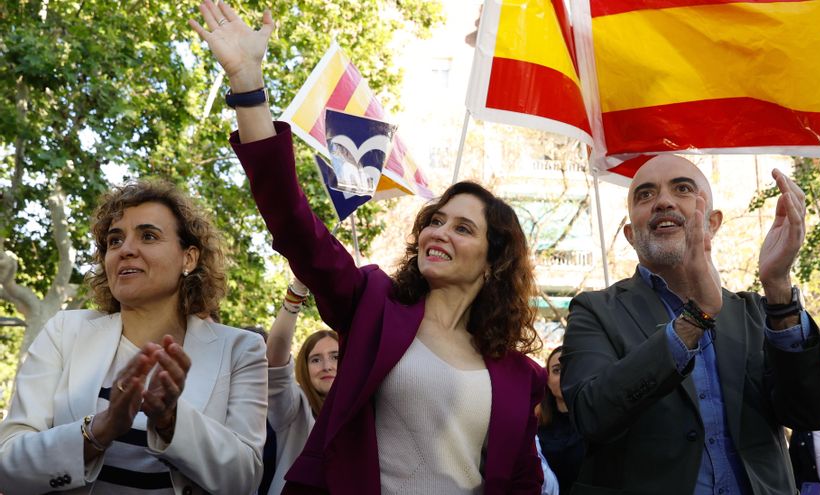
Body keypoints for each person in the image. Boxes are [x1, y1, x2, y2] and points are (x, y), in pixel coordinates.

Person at [189, 2, 546, 494]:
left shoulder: (518, 374)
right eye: (435, 220)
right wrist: (249, 86)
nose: (439, 232)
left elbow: (521, 481)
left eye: (463, 228)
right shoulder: (373, 303)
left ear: (495, 260)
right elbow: (294, 223)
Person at [560, 154, 820, 494]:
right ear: (631, 234)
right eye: (645, 195)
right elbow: (592, 416)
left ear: (713, 222)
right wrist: (695, 319)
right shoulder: (595, 311)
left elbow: (812, 414)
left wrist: (778, 287)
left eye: (682, 188)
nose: (663, 201)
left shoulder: (756, 312)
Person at [0, 179, 268, 494]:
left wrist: (170, 421)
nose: (126, 250)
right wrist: (98, 431)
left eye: (149, 236)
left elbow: (244, 480)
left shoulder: (241, 350)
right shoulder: (64, 332)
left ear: (189, 258)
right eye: (114, 241)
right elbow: (7, 466)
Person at [261, 277, 338, 495]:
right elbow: (275, 358)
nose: (326, 366)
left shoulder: (368, 410)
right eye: (315, 359)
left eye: (336, 356)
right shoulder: (294, 408)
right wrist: (297, 291)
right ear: (304, 368)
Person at [537, 347, 585, 495]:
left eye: (570, 369)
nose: (564, 376)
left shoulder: (595, 422)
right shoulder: (536, 428)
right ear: (548, 379)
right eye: (557, 370)